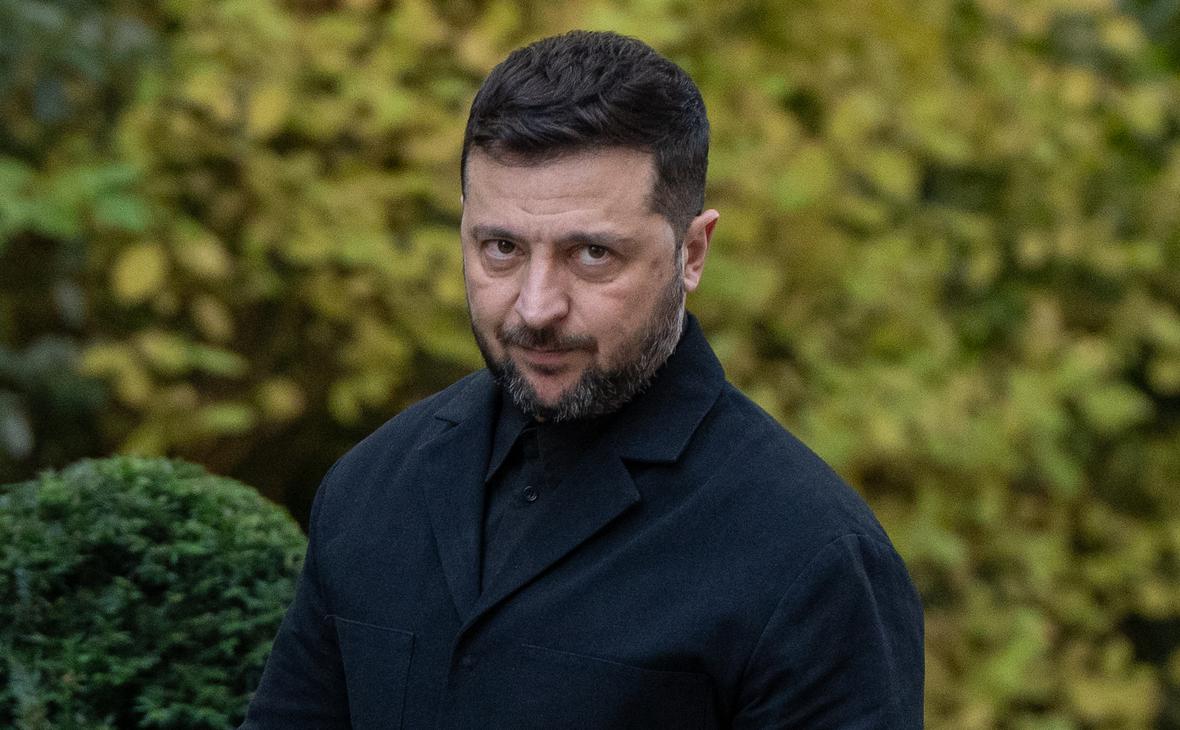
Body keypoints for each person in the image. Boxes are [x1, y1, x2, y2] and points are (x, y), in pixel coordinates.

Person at [242, 30, 924, 729]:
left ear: (691, 253)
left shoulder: (812, 557)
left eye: (593, 254)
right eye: (502, 248)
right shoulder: (370, 490)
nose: (536, 307)